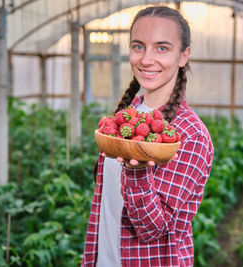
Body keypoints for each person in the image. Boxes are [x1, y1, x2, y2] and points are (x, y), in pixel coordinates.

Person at [81, 5, 214, 267]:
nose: (146, 59)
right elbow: (106, 205)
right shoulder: (127, 118)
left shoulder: (190, 134)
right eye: (138, 46)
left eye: (162, 48)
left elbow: (151, 229)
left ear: (183, 56)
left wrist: (137, 170)